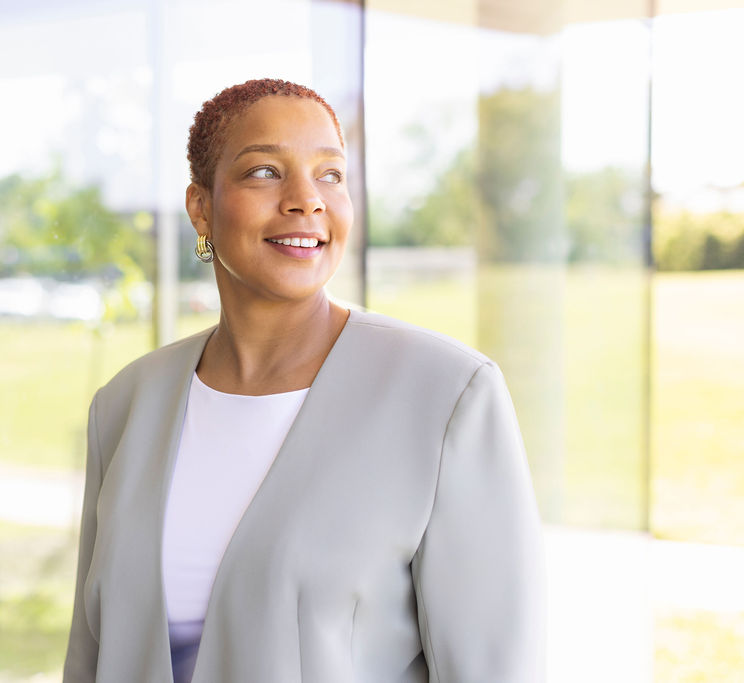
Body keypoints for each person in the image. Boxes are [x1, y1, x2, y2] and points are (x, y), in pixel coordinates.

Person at [63, 78, 545, 683]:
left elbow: (494, 668)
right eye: (265, 171)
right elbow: (90, 656)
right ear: (201, 208)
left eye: (331, 174)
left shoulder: (448, 395)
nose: (305, 199)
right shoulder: (127, 405)